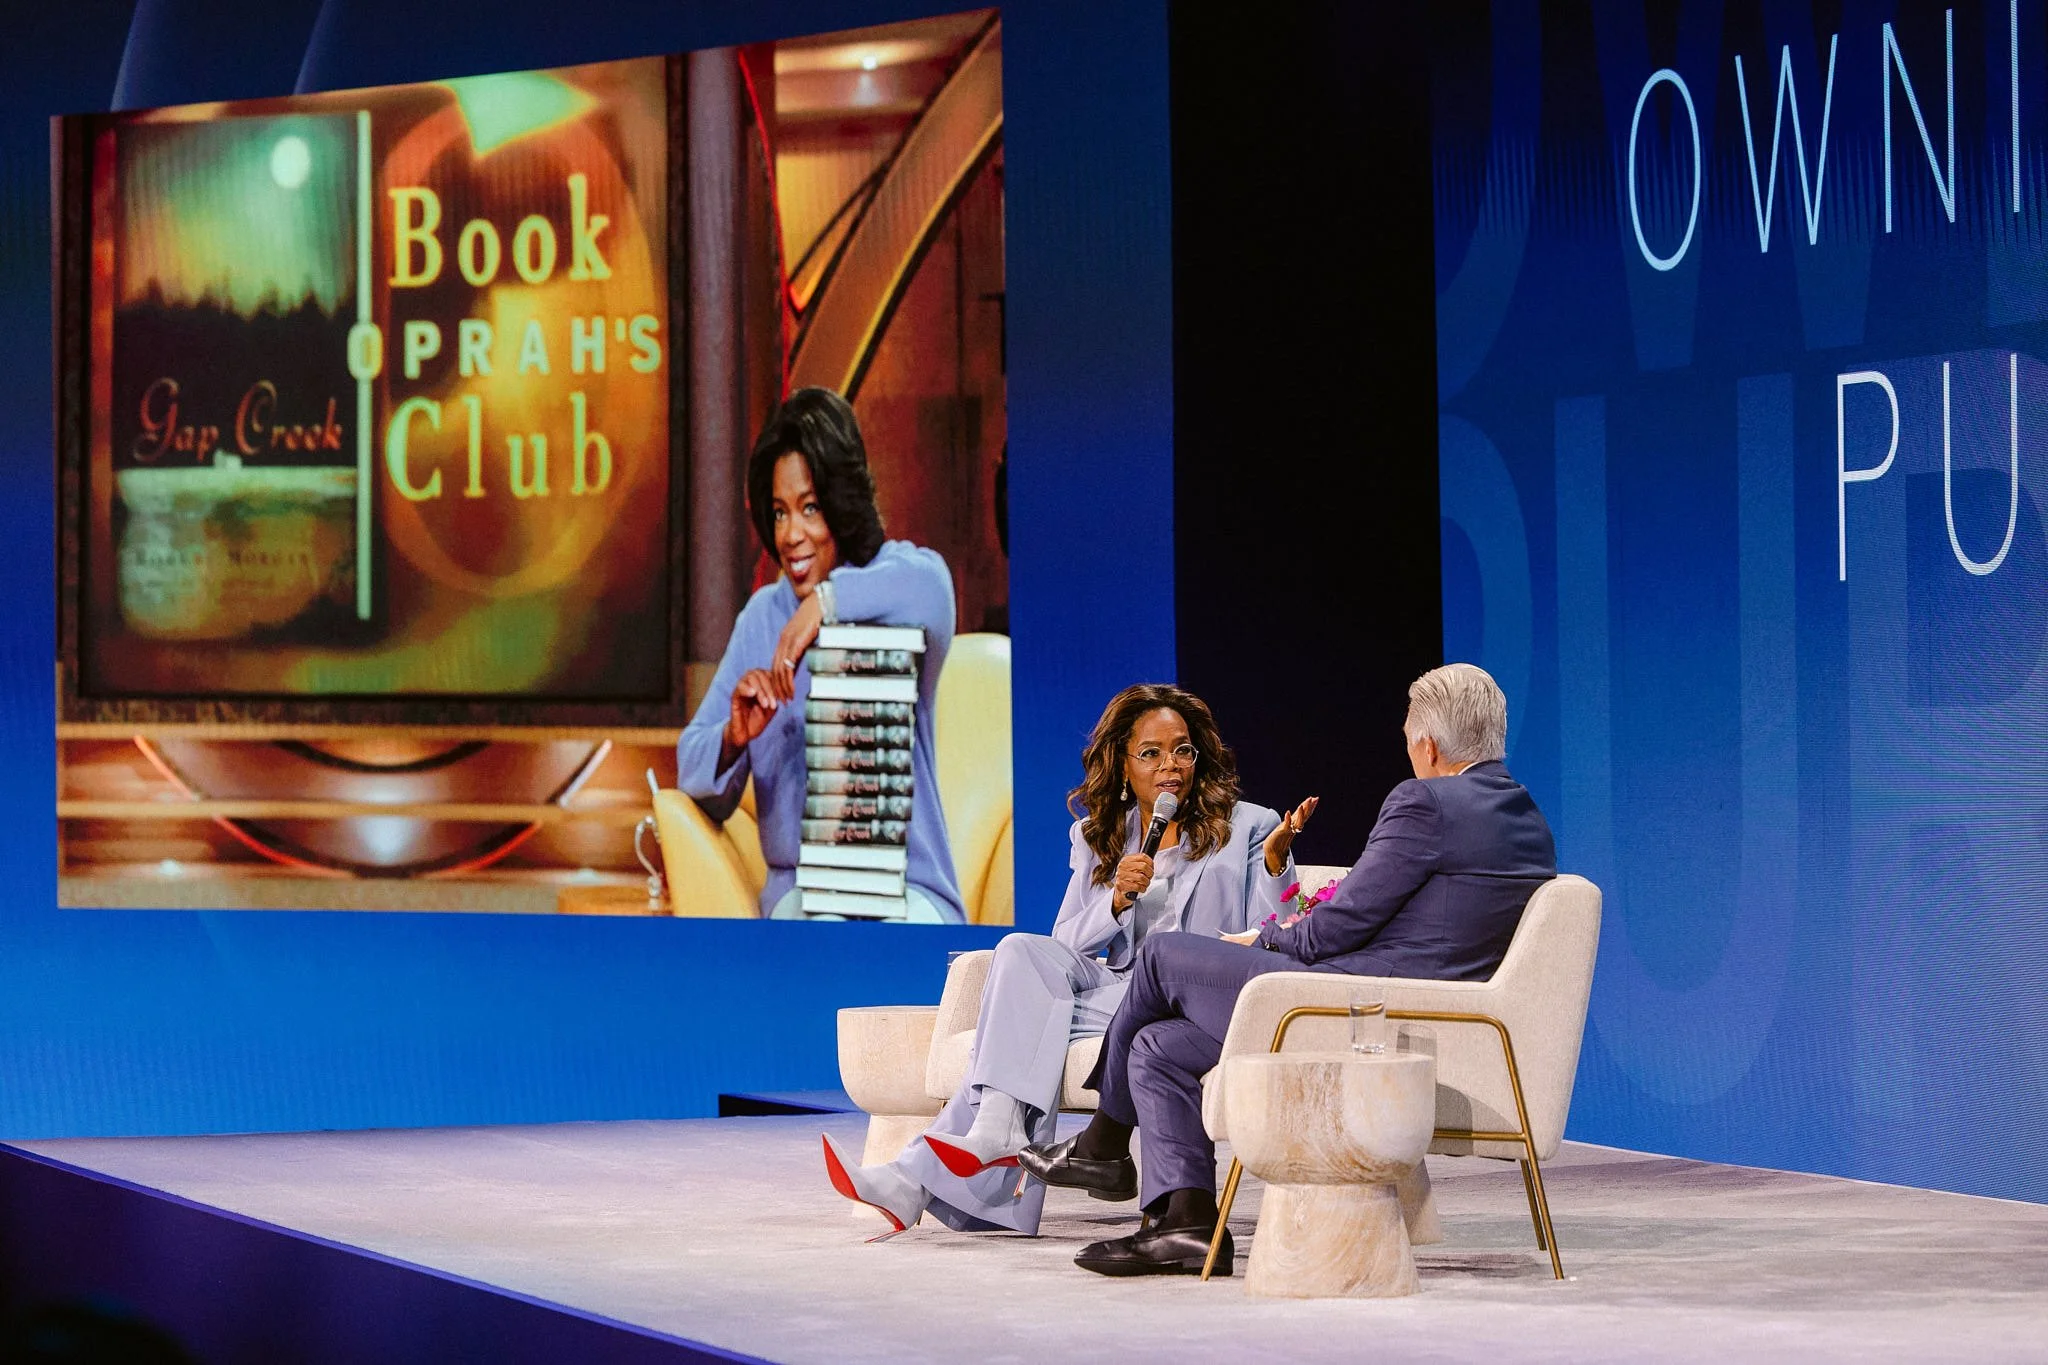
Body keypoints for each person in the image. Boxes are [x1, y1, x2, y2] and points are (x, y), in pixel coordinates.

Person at [1019, 662, 1557, 1276]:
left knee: (1165, 958)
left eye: (1410, 742)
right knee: (1157, 1045)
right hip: (1428, 1010)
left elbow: (1341, 925)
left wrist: (1265, 939)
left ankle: (1105, 1140)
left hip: (1355, 1006)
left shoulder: (1426, 803)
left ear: (1428, 745)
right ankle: (1186, 1224)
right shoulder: (1527, 818)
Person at [819, 683, 1318, 1235]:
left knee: (1021, 1024)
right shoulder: (1100, 834)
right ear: (1123, 766)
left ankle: (935, 1166)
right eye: (1151, 753)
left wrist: (1277, 864)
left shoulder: (1247, 825)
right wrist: (1116, 900)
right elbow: (1067, 943)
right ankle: (994, 1132)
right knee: (1020, 952)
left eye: (1182, 750)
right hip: (1119, 991)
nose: (1170, 766)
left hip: (1190, 1000)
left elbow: (1276, 934)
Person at [675, 388, 964, 922]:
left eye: (810, 507)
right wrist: (734, 735)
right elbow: (690, 760)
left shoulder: (899, 581)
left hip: (911, 889)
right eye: (779, 512)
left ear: (841, 500)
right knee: (816, 932)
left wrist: (825, 605)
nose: (792, 535)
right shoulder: (763, 617)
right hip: (803, 898)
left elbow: (934, 587)